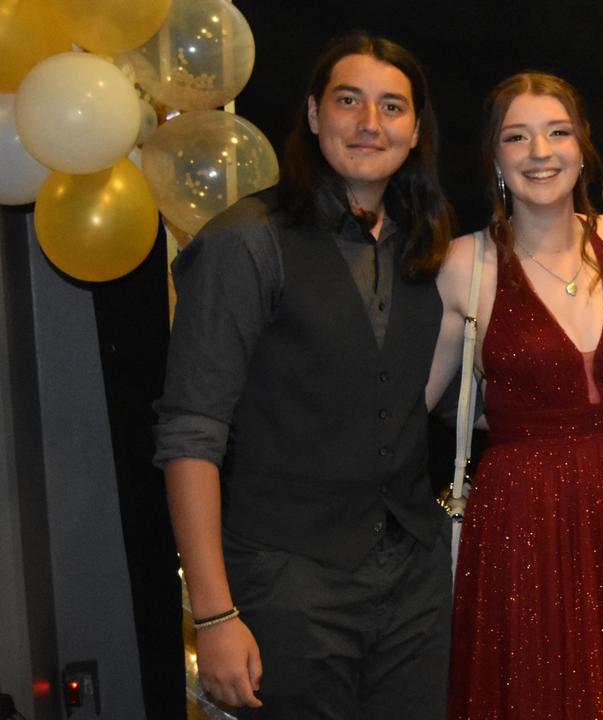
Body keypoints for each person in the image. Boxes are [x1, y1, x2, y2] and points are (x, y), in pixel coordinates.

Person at [154, 32, 455, 718]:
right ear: (315, 114)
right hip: (289, 578)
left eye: (392, 107)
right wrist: (213, 616)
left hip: (413, 583)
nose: (370, 123)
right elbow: (189, 434)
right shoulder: (244, 240)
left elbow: (452, 393)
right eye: (349, 101)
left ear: (416, 130)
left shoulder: (429, 247)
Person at [425, 72, 603, 719]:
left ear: (582, 148)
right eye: (517, 137)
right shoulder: (463, 264)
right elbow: (406, 406)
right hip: (524, 521)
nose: (540, 152)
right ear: (495, 159)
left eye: (558, 132)